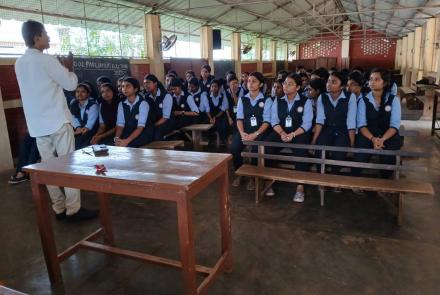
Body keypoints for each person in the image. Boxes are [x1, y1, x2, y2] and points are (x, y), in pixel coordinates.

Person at [15, 20, 98, 221]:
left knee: (49, 167)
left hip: (37, 126)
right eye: (45, 33)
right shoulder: (47, 60)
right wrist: (69, 68)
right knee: (69, 165)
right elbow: (71, 84)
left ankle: (59, 208)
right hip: (57, 122)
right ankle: (73, 209)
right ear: (37, 37)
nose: (48, 37)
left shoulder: (19, 63)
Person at [265, 73, 313, 202]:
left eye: (290, 84)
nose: (285, 86)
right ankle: (269, 181)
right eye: (285, 83)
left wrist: (292, 134)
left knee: (301, 152)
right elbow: (274, 120)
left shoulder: (305, 101)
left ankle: (300, 187)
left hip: (299, 132)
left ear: (297, 87)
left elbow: (307, 123)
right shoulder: (278, 100)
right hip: (281, 131)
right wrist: (281, 133)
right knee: (267, 147)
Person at [353, 68, 402, 179]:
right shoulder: (364, 100)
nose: (372, 82)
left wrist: (382, 139)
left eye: (376, 79)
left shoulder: (393, 100)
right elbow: (361, 125)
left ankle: (385, 181)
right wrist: (373, 139)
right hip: (368, 135)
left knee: (388, 158)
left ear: (384, 83)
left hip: (388, 135)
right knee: (360, 156)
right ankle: (355, 180)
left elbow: (394, 125)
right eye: (370, 79)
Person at [310, 71, 357, 180]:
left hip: (343, 129)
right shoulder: (323, 97)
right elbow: (320, 120)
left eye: (334, 82)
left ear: (342, 86)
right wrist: (313, 141)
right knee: (319, 149)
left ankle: (334, 178)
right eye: (328, 81)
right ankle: (321, 177)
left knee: (340, 153)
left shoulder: (350, 97)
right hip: (327, 128)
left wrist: (352, 143)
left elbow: (351, 121)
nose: (329, 84)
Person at [230, 72, 272, 190]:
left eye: (254, 81)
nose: (250, 83)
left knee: (255, 149)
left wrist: (256, 134)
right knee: (234, 147)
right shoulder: (242, 99)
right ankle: (240, 173)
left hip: (260, 131)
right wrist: (242, 133)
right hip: (245, 130)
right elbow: (239, 119)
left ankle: (253, 178)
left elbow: (266, 121)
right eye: (249, 81)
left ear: (261, 84)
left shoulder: (266, 99)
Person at [114, 77, 154, 147]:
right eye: (123, 86)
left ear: (135, 89)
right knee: (116, 144)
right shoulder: (121, 104)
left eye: (128, 86)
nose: (124, 89)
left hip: (144, 133)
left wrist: (126, 141)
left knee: (128, 146)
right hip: (129, 131)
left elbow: (140, 128)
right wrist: (117, 138)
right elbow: (120, 125)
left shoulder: (143, 103)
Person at [143, 74, 175, 140]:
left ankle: (160, 150)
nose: (146, 85)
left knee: (156, 132)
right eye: (144, 83)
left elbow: (165, 117)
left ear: (155, 83)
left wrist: (153, 126)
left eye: (148, 82)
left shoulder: (166, 96)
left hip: (166, 123)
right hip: (153, 122)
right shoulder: (146, 97)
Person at [70, 83, 99, 149]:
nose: (79, 94)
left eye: (83, 92)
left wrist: (75, 133)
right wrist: (77, 128)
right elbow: (73, 118)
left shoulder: (93, 105)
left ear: (88, 94)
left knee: (76, 144)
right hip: (79, 131)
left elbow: (89, 126)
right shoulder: (74, 104)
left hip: (90, 132)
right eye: (77, 91)